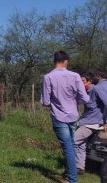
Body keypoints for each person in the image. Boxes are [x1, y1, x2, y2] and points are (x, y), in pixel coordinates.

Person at [40, 51, 89, 183]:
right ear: (66, 61)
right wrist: (74, 101)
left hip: (59, 115)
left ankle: (72, 179)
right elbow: (84, 98)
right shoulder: (75, 76)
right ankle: (69, 174)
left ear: (54, 61)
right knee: (71, 145)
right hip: (73, 115)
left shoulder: (48, 77)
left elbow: (45, 102)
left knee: (67, 146)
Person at [74, 71, 106, 175]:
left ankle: (70, 169)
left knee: (71, 142)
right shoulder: (85, 93)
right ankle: (80, 168)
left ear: (89, 81)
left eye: (82, 81)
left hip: (92, 124)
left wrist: (106, 122)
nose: (80, 83)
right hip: (85, 121)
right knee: (81, 145)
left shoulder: (96, 90)